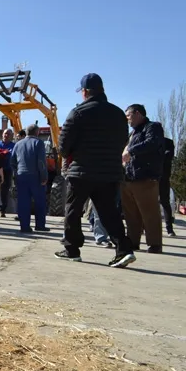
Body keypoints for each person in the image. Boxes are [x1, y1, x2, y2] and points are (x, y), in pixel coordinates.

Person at [57, 73, 135, 267]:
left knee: (73, 211)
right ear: (102, 90)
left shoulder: (78, 113)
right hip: (109, 171)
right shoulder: (118, 114)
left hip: (82, 170)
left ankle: (71, 249)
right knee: (109, 212)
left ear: (84, 92)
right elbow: (123, 142)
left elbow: (63, 146)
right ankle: (123, 250)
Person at [121, 104, 165, 253]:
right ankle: (133, 242)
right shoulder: (132, 133)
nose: (127, 119)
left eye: (128, 115)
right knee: (131, 214)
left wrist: (131, 151)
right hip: (129, 178)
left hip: (145, 177)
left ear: (138, 113)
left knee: (149, 212)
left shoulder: (153, 127)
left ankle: (154, 244)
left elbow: (152, 143)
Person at [11, 124, 49, 233]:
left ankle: (24, 227)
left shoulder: (18, 144)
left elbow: (12, 161)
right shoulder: (38, 143)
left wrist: (17, 172)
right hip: (35, 176)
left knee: (23, 202)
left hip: (21, 176)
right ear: (37, 132)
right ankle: (40, 225)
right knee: (40, 201)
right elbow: (41, 162)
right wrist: (44, 177)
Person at [0, 128, 15, 217]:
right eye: (5, 133)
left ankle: (2, 210)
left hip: (7, 170)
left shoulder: (14, 145)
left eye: (8, 134)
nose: (6, 135)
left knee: (4, 191)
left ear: (11, 136)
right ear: (2, 134)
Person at [161, 137, 176, 237]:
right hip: (149, 177)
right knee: (147, 204)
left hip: (163, 178)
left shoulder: (168, 142)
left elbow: (169, 155)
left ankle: (169, 229)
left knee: (165, 202)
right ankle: (143, 228)